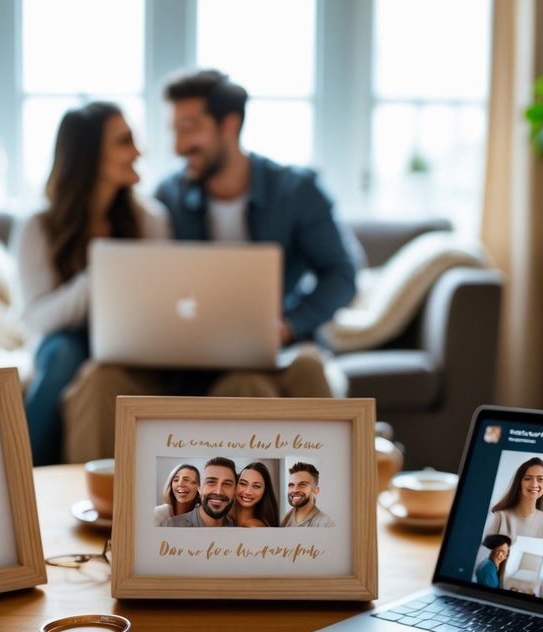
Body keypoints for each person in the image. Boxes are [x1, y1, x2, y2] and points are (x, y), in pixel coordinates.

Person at [61, 69, 359, 463]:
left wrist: (288, 326)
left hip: (270, 352)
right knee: (99, 379)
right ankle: (89, 504)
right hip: (186, 355)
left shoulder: (296, 191)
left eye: (190, 128)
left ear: (229, 125)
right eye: (174, 131)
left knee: (267, 378)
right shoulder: (169, 195)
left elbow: (342, 274)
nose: (179, 145)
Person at [13, 101, 171, 465]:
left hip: (135, 340)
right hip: (65, 343)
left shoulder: (151, 220)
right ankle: (26, 475)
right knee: (64, 351)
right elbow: (39, 319)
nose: (138, 151)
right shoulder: (37, 227)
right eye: (124, 141)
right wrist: (102, 273)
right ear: (89, 154)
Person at [484, 457, 543, 539]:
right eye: (527, 479)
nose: (534, 484)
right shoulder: (497, 518)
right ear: (519, 482)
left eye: (540, 479)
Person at [163, 457, 238, 527]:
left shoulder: (237, 526)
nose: (218, 492)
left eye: (227, 484)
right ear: (199, 488)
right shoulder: (171, 524)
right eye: (211, 482)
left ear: (235, 490)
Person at [281, 462, 334, 527]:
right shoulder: (284, 520)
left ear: (315, 491)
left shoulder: (325, 524)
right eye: (291, 485)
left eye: (302, 484)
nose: (295, 490)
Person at [230, 461, 279, 528]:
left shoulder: (253, 526)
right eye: (243, 484)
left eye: (256, 486)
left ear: (265, 491)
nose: (248, 492)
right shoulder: (226, 518)